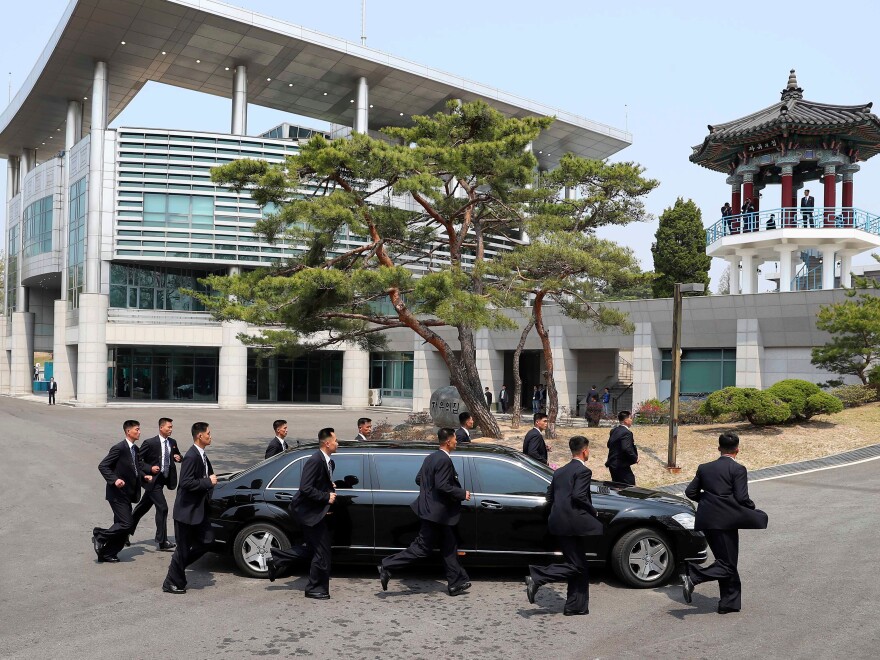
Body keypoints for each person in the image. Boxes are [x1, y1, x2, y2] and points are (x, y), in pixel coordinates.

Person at [680, 432, 768, 614]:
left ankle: (729, 603)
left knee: (725, 561)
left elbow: (690, 492)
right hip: (726, 522)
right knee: (728, 564)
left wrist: (707, 499)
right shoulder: (738, 469)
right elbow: (742, 498)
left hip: (707, 520)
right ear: (738, 449)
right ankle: (694, 576)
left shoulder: (704, 468)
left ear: (719, 448)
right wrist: (752, 509)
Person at [378, 427, 472, 597]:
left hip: (435, 512)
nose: (457, 441)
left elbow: (419, 479)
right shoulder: (444, 460)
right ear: (448, 441)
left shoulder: (431, 457)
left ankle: (456, 582)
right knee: (422, 548)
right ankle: (387, 565)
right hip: (435, 514)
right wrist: (461, 493)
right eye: (455, 439)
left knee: (449, 546)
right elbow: (442, 485)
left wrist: (428, 494)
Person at [524, 435, 602, 616]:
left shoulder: (559, 471)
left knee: (578, 564)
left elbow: (550, 497)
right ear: (584, 451)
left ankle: (575, 606)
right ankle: (538, 576)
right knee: (578, 566)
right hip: (572, 524)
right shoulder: (583, 471)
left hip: (558, 522)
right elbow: (579, 496)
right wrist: (593, 511)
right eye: (588, 449)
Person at [272, 427, 339, 599]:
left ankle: (277, 559)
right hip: (310, 514)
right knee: (322, 552)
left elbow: (318, 483)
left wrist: (330, 487)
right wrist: (326, 496)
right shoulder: (315, 460)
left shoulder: (328, 461)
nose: (337, 443)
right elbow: (305, 488)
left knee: (312, 549)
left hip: (317, 512)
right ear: (327, 443)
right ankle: (315, 588)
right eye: (335, 440)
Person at [162, 422, 218, 594]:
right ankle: (171, 582)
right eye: (208, 433)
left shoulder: (202, 455)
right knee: (183, 548)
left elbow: (208, 475)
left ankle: (178, 566)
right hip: (186, 512)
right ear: (200, 436)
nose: (211, 436)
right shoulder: (192, 456)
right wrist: (208, 482)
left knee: (207, 541)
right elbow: (185, 482)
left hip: (198, 511)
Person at [92, 420, 155, 563]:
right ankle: (99, 535)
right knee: (127, 524)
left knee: (122, 526)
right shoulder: (119, 448)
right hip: (117, 494)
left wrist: (144, 476)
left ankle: (107, 553)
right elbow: (103, 466)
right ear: (128, 431)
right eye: (137, 429)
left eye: (139, 429)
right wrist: (115, 480)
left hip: (128, 493)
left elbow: (135, 469)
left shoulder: (136, 449)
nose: (139, 432)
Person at [130, 417, 182, 551]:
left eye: (171, 427)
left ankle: (124, 531)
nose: (171, 429)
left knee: (142, 508)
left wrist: (178, 457)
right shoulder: (150, 443)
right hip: (153, 481)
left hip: (164, 479)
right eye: (169, 427)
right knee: (163, 507)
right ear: (161, 428)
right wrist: (150, 469)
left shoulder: (172, 442)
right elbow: (138, 460)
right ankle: (162, 541)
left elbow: (177, 455)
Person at [605, 411, 639, 486]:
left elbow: (609, 444)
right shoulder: (627, 433)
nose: (631, 420)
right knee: (630, 486)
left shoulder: (614, 431)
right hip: (621, 465)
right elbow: (626, 448)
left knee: (617, 486)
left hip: (612, 464)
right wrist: (635, 458)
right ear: (626, 420)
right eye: (630, 418)